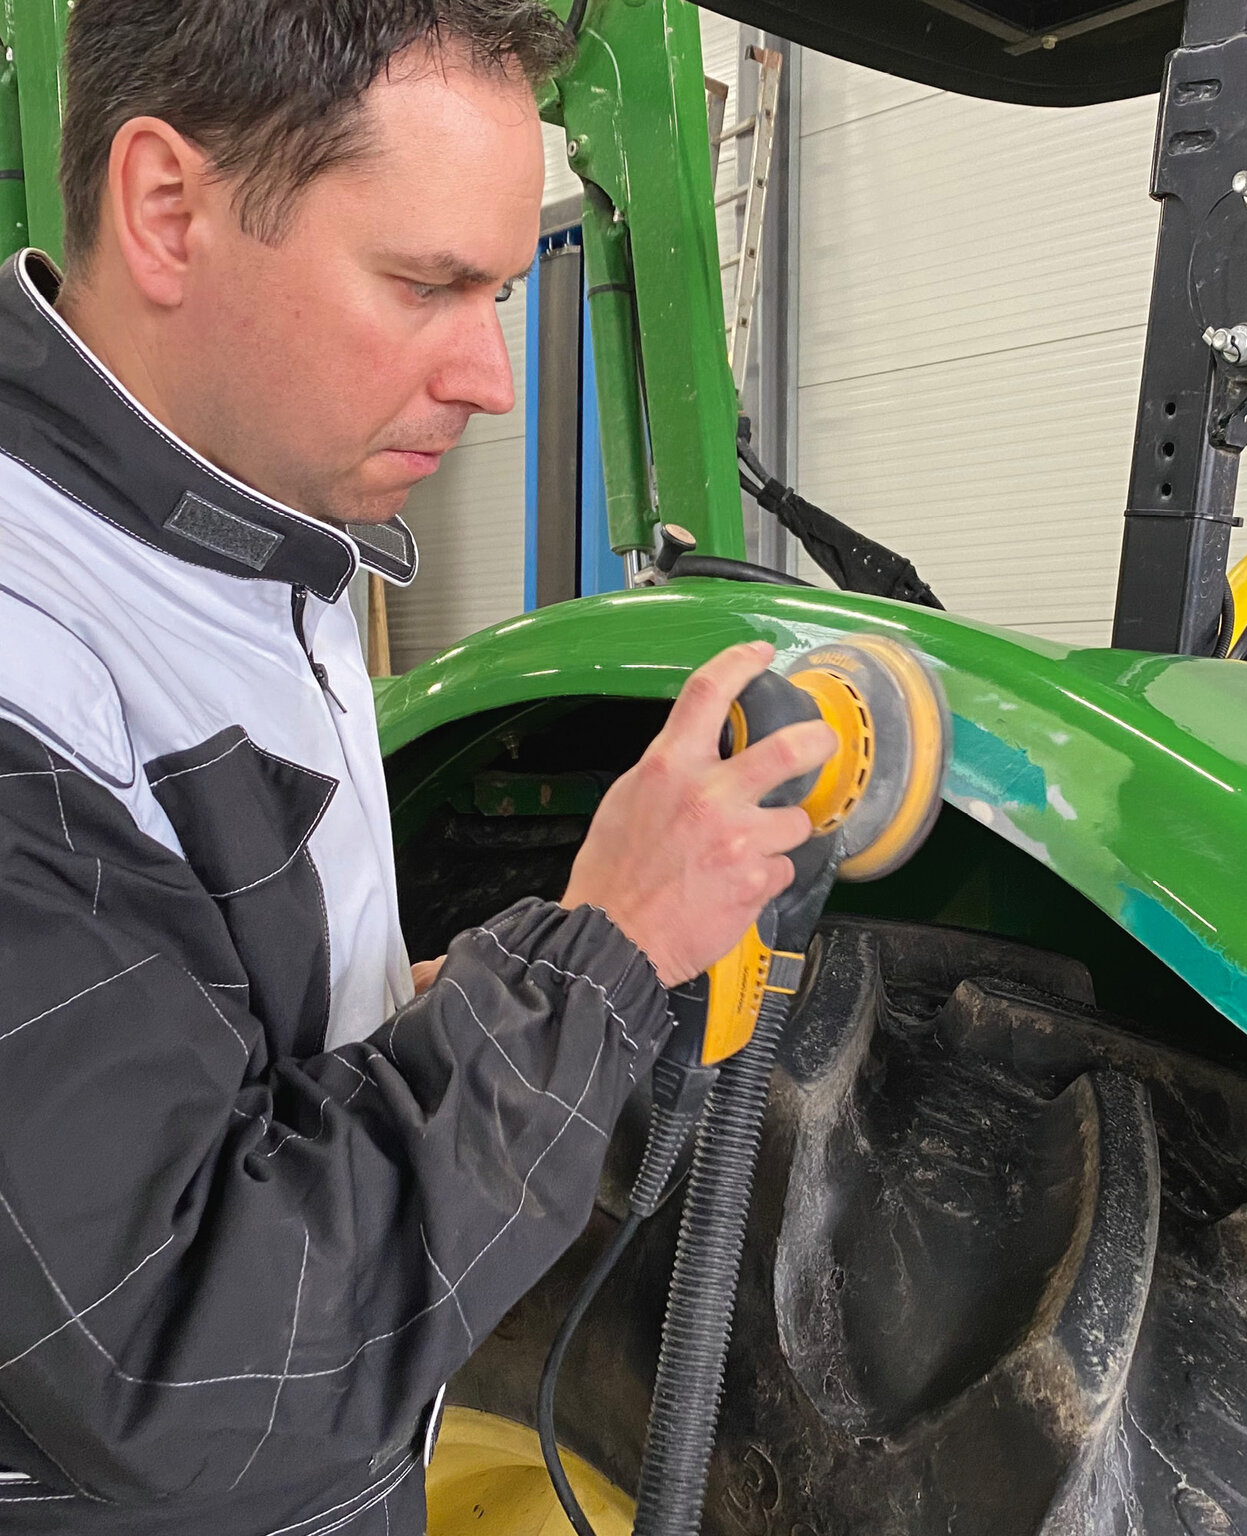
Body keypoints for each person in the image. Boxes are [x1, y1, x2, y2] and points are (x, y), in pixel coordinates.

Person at [0, 2, 835, 1531]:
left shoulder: (235, 532)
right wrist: (602, 958)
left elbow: (201, 1053)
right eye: (427, 285)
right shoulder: (25, 652)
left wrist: (439, 1006)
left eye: (503, 291)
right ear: (166, 208)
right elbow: (181, 1368)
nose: (493, 378)